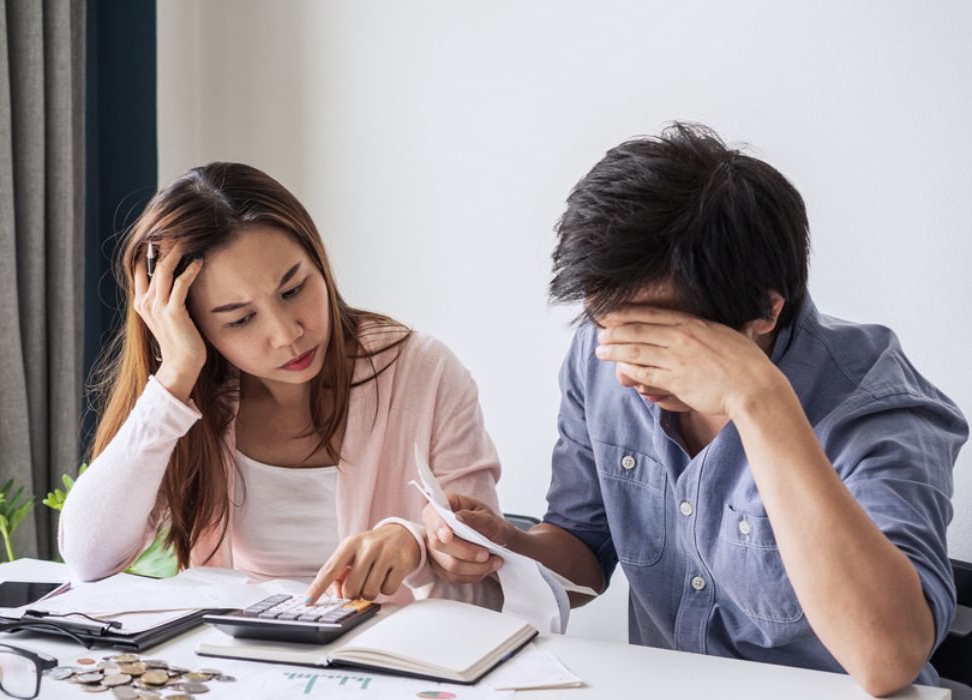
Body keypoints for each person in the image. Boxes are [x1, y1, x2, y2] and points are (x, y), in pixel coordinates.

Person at [423, 123, 967, 695]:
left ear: (765, 310)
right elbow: (585, 551)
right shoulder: (600, 355)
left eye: (659, 340)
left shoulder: (876, 406)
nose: (627, 372)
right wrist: (506, 548)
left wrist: (758, 401)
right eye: (609, 329)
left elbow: (887, 661)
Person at [59, 162, 502, 607]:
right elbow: (88, 557)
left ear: (319, 262)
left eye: (293, 290)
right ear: (192, 325)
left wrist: (414, 542)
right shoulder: (196, 398)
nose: (286, 333)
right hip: (241, 665)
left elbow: (486, 578)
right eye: (240, 319)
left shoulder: (423, 373)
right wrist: (173, 378)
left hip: (395, 664)